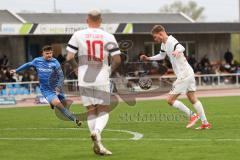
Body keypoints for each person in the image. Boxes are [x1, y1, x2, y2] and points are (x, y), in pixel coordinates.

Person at [66, 10, 121, 155]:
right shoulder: (108, 36)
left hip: (84, 77)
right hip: (101, 75)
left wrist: (77, 69)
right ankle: (97, 132)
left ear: (87, 20)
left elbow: (69, 57)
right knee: (103, 109)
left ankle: (98, 145)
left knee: (91, 110)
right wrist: (108, 71)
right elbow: (117, 60)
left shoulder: (78, 34)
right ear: (101, 20)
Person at [140, 25, 211, 129]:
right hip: (188, 71)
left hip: (184, 74)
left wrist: (177, 51)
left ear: (160, 34)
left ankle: (193, 116)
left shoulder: (171, 41)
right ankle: (205, 123)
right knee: (192, 98)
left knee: (170, 100)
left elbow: (181, 47)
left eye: (155, 37)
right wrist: (149, 58)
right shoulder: (164, 44)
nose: (155, 39)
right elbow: (161, 55)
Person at [10, 45, 82, 126]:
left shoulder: (55, 62)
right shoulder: (37, 61)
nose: (49, 55)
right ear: (42, 53)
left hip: (57, 88)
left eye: (50, 53)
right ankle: (75, 120)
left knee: (64, 106)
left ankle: (54, 104)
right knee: (60, 107)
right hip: (46, 90)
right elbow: (28, 64)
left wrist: (58, 87)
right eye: (47, 53)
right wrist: (16, 70)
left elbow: (61, 76)